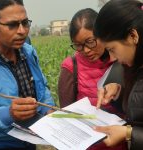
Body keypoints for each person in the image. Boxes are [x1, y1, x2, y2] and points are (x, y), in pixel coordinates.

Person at [58, 8, 127, 150]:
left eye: (90, 42)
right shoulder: (71, 68)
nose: (86, 50)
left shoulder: (123, 60)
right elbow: (66, 115)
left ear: (103, 34)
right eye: (78, 45)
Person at [0, 0, 55, 149]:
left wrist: (49, 109)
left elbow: (41, 86)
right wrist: (7, 114)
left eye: (25, 22)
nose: (22, 30)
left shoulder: (28, 52)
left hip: (30, 141)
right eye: (12, 25)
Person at [93, 0, 143, 150]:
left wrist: (128, 133)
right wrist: (120, 92)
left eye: (112, 49)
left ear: (132, 36)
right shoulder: (135, 67)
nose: (112, 58)